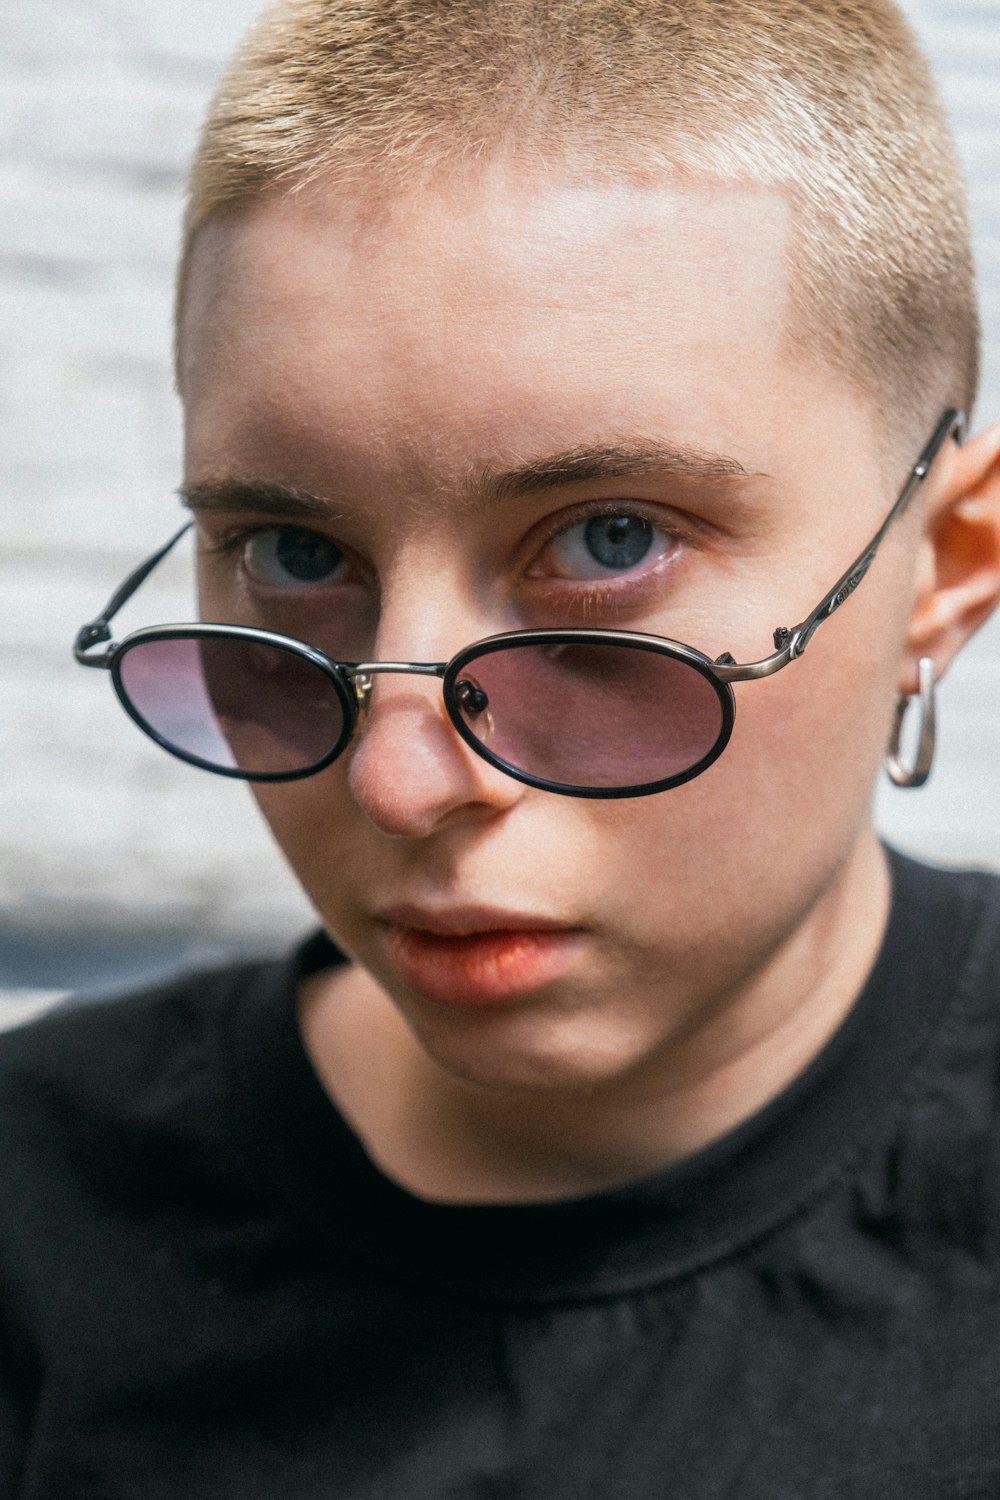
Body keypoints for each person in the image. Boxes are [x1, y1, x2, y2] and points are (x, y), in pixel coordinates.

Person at [3, 0, 1000, 1494]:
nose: (396, 781)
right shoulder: (33, 1210)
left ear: (939, 568)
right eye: (289, 548)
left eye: (609, 541)